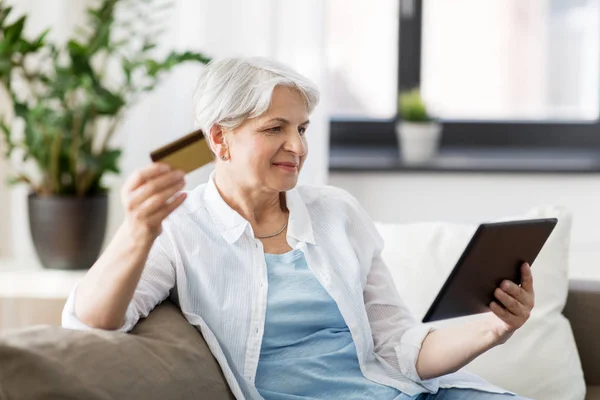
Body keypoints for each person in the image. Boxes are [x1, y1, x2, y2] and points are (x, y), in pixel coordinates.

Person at [62, 57, 534, 400]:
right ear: (219, 138)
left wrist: (493, 329)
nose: (297, 146)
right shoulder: (180, 227)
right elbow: (91, 323)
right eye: (275, 129)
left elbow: (398, 348)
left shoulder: (337, 211)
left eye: (303, 129)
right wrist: (136, 232)